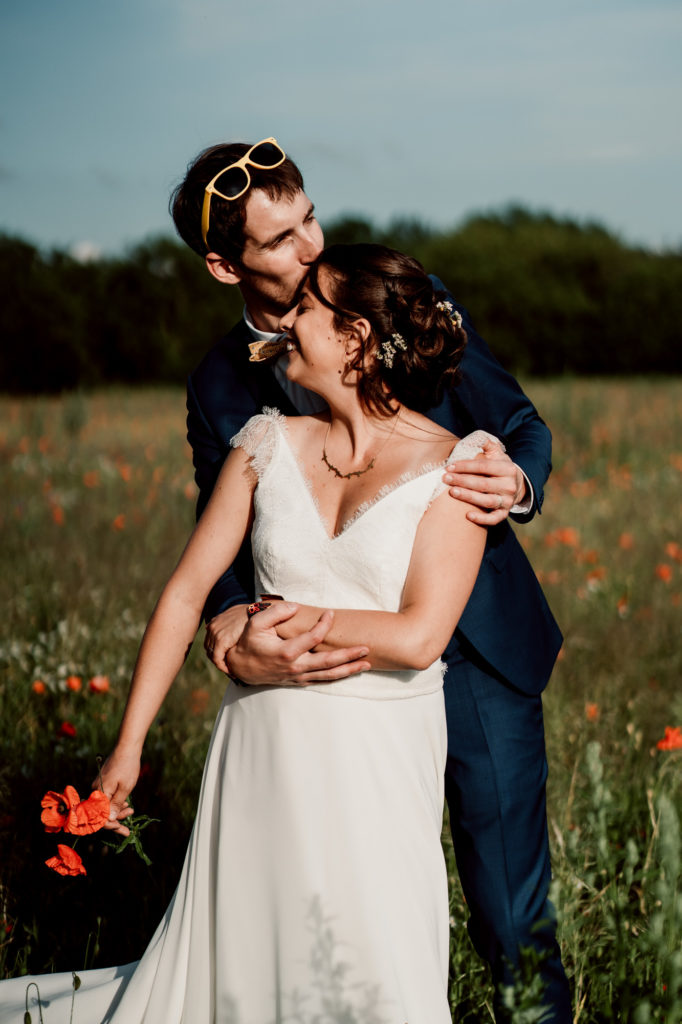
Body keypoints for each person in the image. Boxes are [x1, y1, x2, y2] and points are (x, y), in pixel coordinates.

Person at [2, 243, 493, 1022]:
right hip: (259, 746)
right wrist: (127, 746)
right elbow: (184, 594)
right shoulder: (265, 442)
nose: (286, 322)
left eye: (308, 309)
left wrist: (270, 620)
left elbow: (421, 633)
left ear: (357, 338)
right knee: (240, 963)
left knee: (370, 963)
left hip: (375, 757)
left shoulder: (457, 467)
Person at [172, 138, 571, 1022]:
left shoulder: (397, 303)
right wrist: (232, 628)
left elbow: (517, 420)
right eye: (279, 241)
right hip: (319, 690)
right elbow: (221, 546)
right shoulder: (216, 384)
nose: (311, 246)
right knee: (331, 919)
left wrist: (518, 480)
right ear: (223, 264)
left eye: (308, 218)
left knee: (509, 913)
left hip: (468, 649)